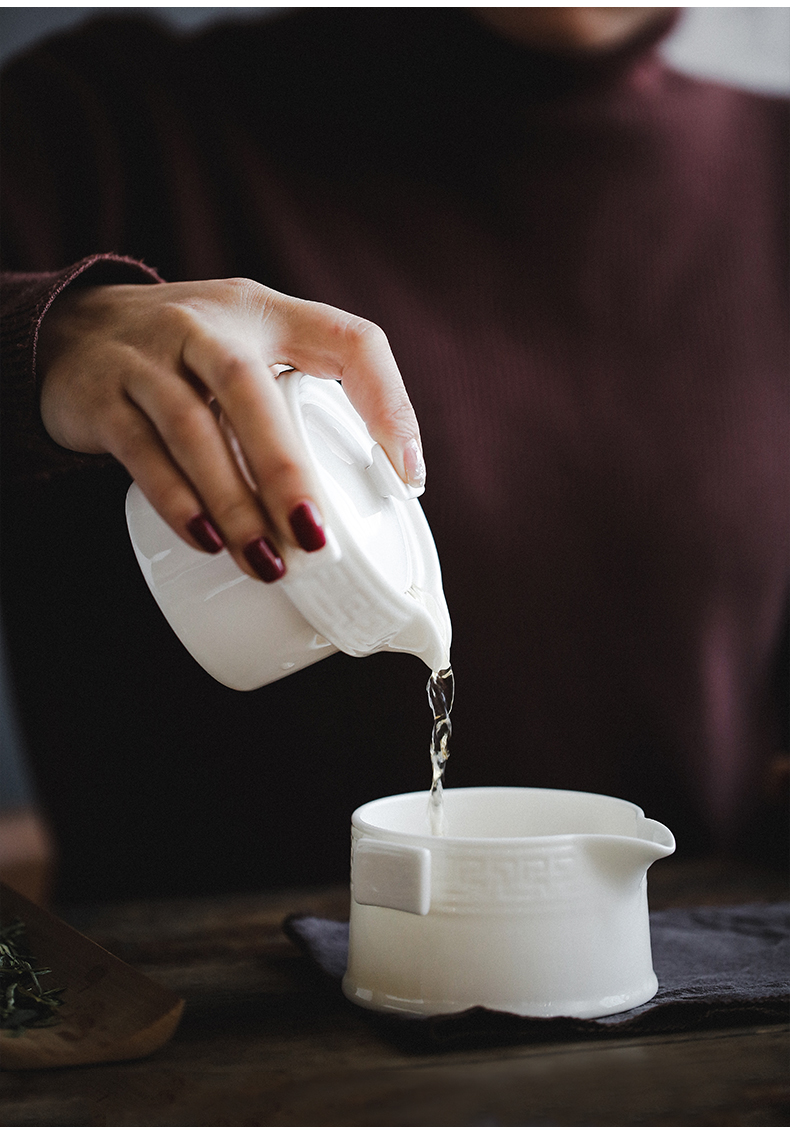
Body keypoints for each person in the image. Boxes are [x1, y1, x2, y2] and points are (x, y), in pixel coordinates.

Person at [1, 7, 787, 903]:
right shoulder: (106, 120)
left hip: (703, 997)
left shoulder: (775, 170)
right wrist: (48, 335)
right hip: (213, 1019)